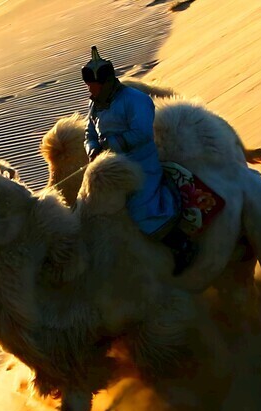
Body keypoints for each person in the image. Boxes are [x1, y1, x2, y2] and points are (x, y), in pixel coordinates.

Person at [82, 47, 197, 275]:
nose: (90, 89)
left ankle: (182, 246)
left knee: (141, 208)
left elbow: (141, 133)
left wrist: (110, 144)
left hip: (140, 163)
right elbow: (89, 133)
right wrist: (93, 149)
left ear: (104, 82)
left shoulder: (136, 100)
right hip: (109, 168)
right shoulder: (95, 105)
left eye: (93, 84)